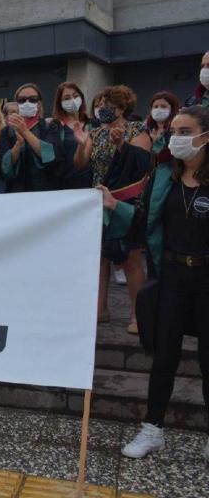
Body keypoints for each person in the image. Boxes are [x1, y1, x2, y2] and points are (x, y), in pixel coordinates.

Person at [101, 105, 209, 461]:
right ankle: (153, 429)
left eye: (183, 131)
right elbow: (144, 222)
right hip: (172, 278)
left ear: (205, 136)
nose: (174, 138)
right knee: (164, 358)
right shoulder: (164, 175)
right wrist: (114, 205)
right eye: (173, 131)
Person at [74, 85, 150, 331]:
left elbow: (141, 164)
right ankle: (100, 309)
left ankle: (137, 315)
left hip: (125, 202)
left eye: (108, 105)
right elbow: (81, 164)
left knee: (131, 259)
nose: (103, 109)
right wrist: (80, 143)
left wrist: (121, 145)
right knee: (101, 258)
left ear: (121, 107)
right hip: (98, 202)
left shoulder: (136, 129)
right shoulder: (95, 133)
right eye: (100, 105)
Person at [0, 83, 64, 193]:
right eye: (22, 100)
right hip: (16, 194)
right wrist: (18, 144)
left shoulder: (49, 126)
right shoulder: (7, 131)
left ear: (39, 104)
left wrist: (25, 132)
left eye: (32, 99)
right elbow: (1, 167)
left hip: (45, 193)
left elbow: (54, 156)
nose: (27, 103)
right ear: (17, 104)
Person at [51, 82, 92, 189]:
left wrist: (81, 145)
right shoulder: (55, 126)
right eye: (66, 98)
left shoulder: (91, 124)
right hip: (62, 185)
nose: (72, 100)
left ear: (81, 97)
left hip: (88, 185)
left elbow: (82, 163)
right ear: (60, 103)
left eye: (75, 96)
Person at [145, 91, 181, 165]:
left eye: (163, 106)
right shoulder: (146, 129)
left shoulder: (178, 130)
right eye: (155, 107)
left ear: (172, 109)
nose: (159, 109)